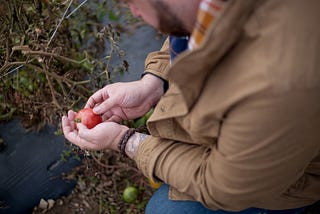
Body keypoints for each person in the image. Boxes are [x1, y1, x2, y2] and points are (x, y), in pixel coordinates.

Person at [62, 0, 320, 213]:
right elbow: (190, 32)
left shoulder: (279, 84)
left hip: (288, 178)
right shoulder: (203, 7)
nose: (134, 12)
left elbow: (221, 187)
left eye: (131, 2)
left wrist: (125, 140)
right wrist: (154, 82)